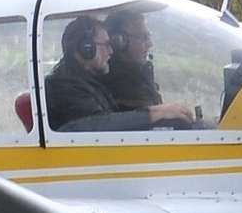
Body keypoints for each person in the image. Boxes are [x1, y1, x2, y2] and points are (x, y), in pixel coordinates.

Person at [44, 14, 195, 132]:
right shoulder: (64, 86)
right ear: (87, 48)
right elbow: (98, 126)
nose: (111, 51)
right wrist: (153, 113)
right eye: (107, 45)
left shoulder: (86, 81)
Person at [102, 11, 163, 112]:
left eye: (149, 36)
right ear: (118, 41)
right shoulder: (120, 88)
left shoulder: (138, 76)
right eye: (143, 37)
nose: (150, 44)